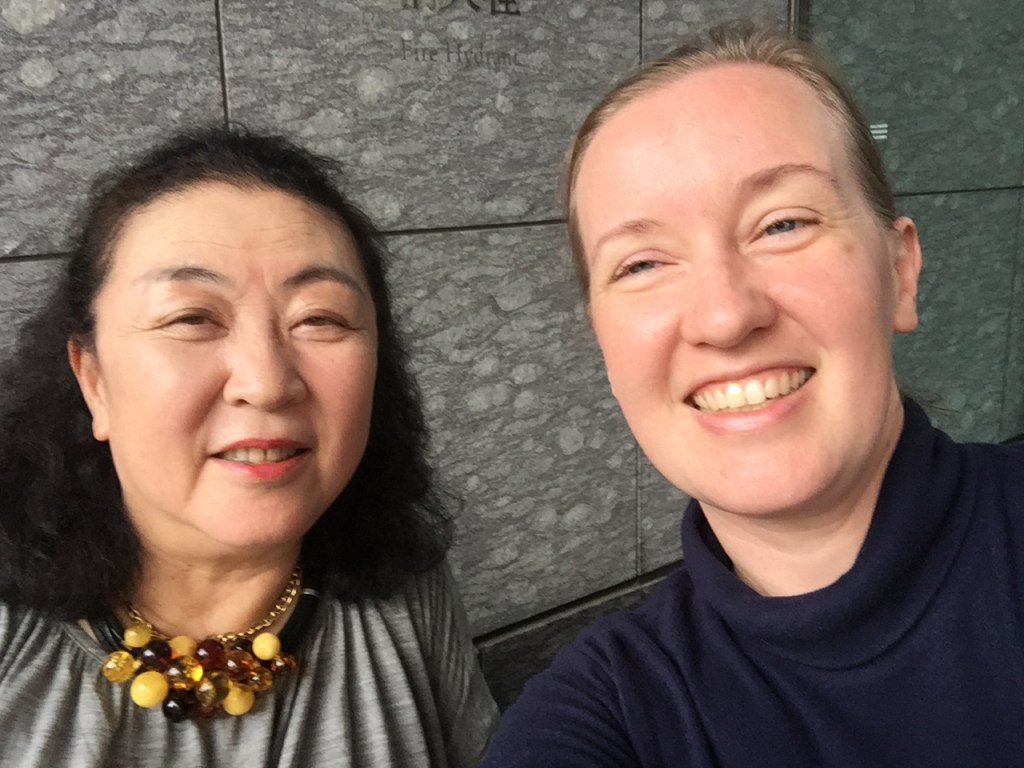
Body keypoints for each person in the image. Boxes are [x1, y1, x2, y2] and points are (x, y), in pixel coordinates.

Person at [482, 21, 1024, 767]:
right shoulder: (607, 712)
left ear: (900, 270)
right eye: (641, 264)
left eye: (783, 224)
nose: (725, 316)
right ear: (602, 340)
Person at [0, 126, 498, 766]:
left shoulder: (407, 588)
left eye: (319, 318)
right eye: (191, 318)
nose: (266, 383)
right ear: (92, 380)